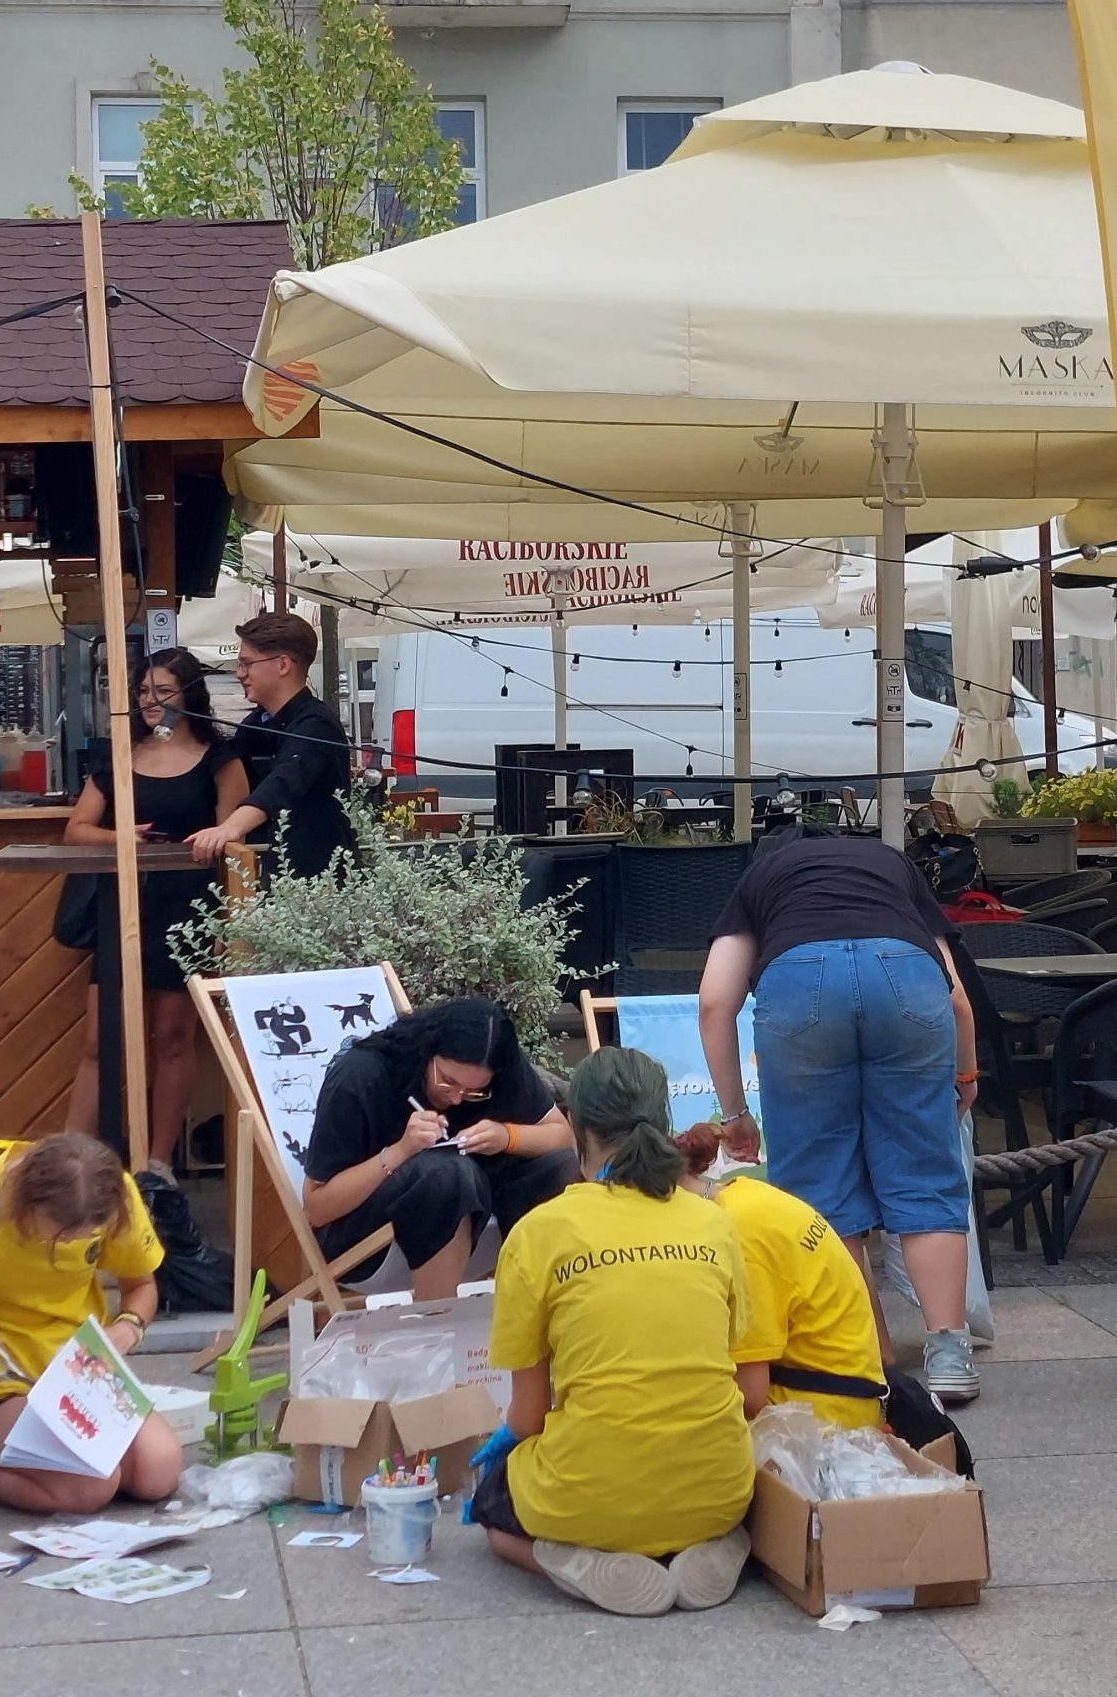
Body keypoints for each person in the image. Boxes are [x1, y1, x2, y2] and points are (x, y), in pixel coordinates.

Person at [697, 827, 983, 1401]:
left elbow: (713, 1003)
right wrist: (967, 1075)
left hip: (800, 984)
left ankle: (862, 1351)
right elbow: (954, 994)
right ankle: (950, 1354)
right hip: (904, 975)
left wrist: (734, 1114)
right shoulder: (891, 865)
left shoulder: (761, 879)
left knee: (819, 1185)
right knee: (925, 1172)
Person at [472, 1045, 754, 1618]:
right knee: (709, 1491)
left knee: (493, 1510)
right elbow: (734, 1372)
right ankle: (723, 1544)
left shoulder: (538, 1232)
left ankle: (572, 1563)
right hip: (719, 1494)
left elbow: (526, 1419)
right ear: (665, 1121)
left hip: (587, 1502)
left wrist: (502, 1452)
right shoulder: (714, 1222)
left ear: (578, 1128)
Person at [0, 1132, 182, 1514]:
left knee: (158, 1471)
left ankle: (40, 1470)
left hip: (77, 1375)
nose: (69, 1244)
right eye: (56, 1235)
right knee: (92, 1485)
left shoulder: (111, 1193)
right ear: (22, 1200)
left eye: (82, 1238)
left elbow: (141, 1285)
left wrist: (127, 1328)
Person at [63, 648, 250, 1165]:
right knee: (101, 1040)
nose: (151, 700)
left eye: (163, 691)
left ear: (189, 695)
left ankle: (158, 1162)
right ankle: (70, 1160)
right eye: (144, 691)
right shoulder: (119, 755)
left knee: (172, 1037)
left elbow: (234, 843)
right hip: (122, 906)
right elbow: (77, 829)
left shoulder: (220, 759)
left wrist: (227, 925)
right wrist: (122, 836)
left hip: (190, 909)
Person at [302, 997, 576, 1300]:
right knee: (448, 1174)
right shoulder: (362, 1075)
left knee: (561, 1167)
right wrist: (401, 1150)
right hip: (364, 1242)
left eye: (474, 1092)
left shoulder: (498, 1072)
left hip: (478, 1221)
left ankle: (540, 1308)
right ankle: (436, 1317)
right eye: (447, 1081)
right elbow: (317, 1208)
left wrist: (505, 1136)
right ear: (427, 1050)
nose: (456, 1098)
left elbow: (562, 1137)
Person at [674, 1121, 885, 1428]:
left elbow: (750, 1396)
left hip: (826, 1420)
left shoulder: (737, 1236)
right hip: (847, 1394)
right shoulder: (742, 1195)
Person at [187, 611, 352, 880]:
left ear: (283, 665)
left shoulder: (317, 724)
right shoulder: (257, 722)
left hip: (320, 883)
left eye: (247, 664)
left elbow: (282, 783)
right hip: (275, 876)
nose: (239, 674)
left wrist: (229, 828)